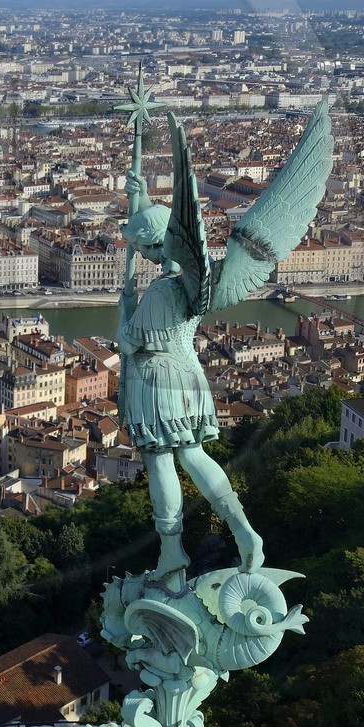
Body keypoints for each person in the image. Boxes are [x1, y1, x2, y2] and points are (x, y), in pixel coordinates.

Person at [118, 168, 263, 593]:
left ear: (154, 245)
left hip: (157, 380)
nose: (142, 255)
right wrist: (144, 201)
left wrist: (126, 307)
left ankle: (170, 551)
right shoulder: (194, 281)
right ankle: (243, 530)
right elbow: (169, 238)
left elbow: (131, 343)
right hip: (189, 377)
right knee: (194, 456)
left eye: (143, 247)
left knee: (161, 460)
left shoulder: (161, 292)